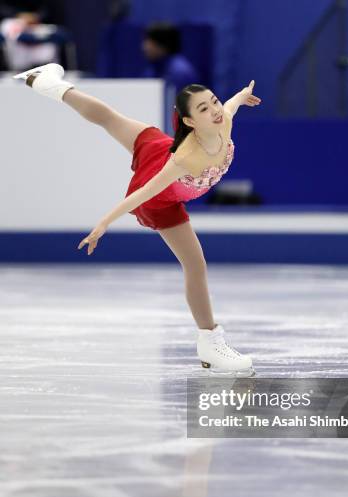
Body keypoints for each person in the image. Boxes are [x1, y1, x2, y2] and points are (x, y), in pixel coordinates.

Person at [13, 63, 262, 376]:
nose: (214, 109)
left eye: (212, 101)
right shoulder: (183, 160)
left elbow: (230, 105)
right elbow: (143, 193)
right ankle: (210, 341)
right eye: (203, 107)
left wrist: (241, 95)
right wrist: (104, 223)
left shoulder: (222, 121)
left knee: (109, 118)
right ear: (189, 121)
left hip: (157, 146)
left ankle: (44, 83)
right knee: (196, 265)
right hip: (159, 199)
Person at [142, 22, 200, 94]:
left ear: (162, 45)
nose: (144, 47)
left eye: (149, 43)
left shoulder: (181, 73)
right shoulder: (151, 70)